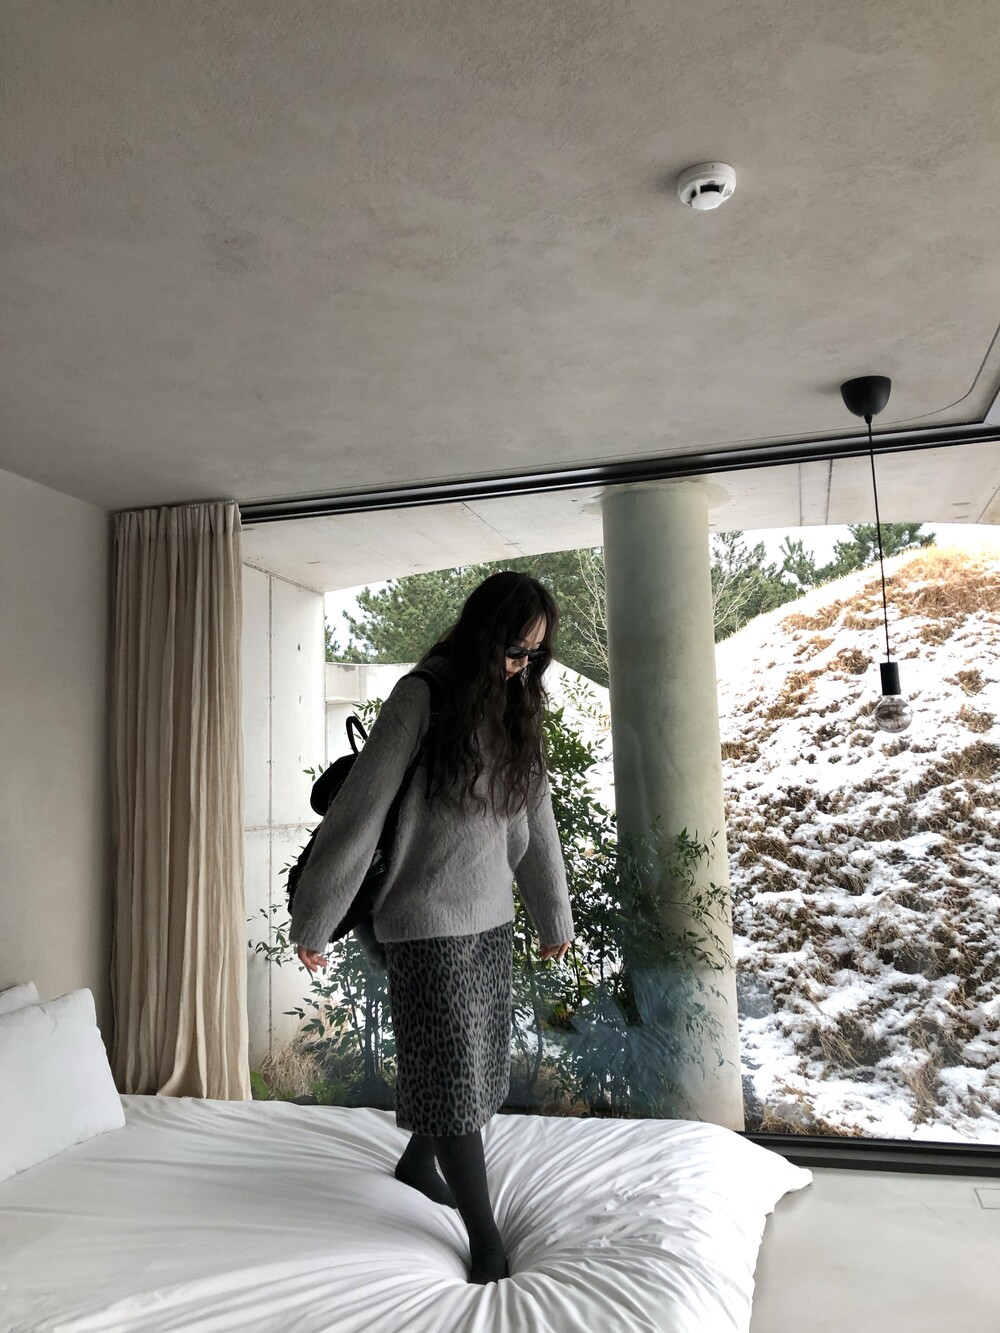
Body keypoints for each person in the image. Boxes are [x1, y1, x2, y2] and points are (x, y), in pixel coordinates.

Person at [290, 571, 574, 1285]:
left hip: (491, 919)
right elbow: (359, 810)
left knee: (471, 1065)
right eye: (514, 649)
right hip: (422, 923)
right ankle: (487, 1241)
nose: (523, 666)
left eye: (536, 654)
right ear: (483, 634)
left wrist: (552, 913)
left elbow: (535, 814)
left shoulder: (515, 705)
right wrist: (315, 916)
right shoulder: (421, 696)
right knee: (451, 1074)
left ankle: (418, 1163)